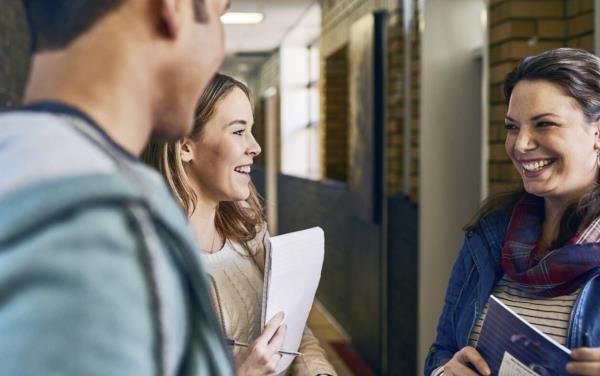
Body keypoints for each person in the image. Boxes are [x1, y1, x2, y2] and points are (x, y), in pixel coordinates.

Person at [0, 0, 234, 375]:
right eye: (220, 15)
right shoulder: (106, 235)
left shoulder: (17, 161)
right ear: (174, 8)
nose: (220, 48)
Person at [144, 73, 337, 376]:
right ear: (184, 147)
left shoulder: (249, 229)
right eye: (238, 132)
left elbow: (293, 332)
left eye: (252, 130)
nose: (256, 146)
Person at [425, 48, 600, 376]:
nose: (520, 145)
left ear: (597, 133)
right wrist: (442, 372)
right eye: (511, 127)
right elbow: (443, 349)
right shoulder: (490, 235)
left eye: (544, 124)